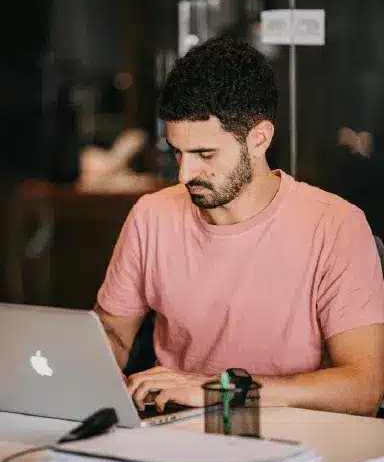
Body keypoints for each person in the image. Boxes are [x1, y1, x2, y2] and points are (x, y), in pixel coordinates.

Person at [95, 36, 384, 417]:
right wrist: (97, 373)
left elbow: (362, 389)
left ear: (259, 139)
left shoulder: (335, 225)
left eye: (205, 154)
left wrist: (221, 391)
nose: (185, 174)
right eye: (177, 152)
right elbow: (111, 335)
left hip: (292, 442)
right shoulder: (152, 215)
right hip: (176, 434)